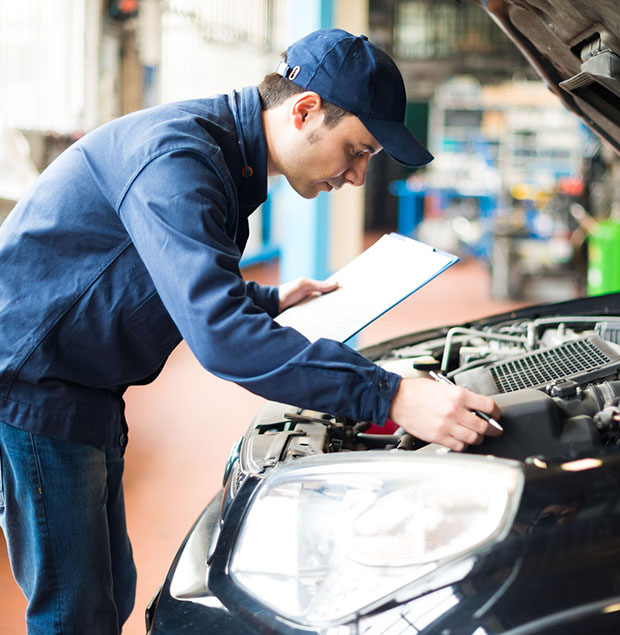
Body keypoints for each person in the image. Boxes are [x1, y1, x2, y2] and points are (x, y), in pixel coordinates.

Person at [0, 28, 501, 634]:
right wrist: (392, 395)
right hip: (35, 386)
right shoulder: (179, 159)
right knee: (74, 611)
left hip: (85, 383)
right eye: (359, 149)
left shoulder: (225, 157)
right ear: (305, 110)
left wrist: (265, 298)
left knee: (109, 588)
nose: (358, 175)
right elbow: (222, 339)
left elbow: (161, 272)